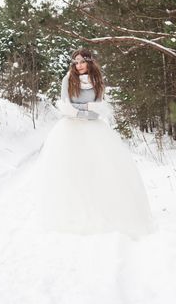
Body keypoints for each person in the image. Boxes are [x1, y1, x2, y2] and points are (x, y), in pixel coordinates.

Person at [35, 48, 155, 239]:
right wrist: (84, 110)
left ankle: (102, 210)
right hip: (70, 130)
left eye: (82, 61)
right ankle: (72, 213)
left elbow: (98, 111)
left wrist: (79, 110)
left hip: (94, 130)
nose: (79, 65)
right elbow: (65, 107)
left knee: (98, 169)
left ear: (90, 62)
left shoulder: (97, 81)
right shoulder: (68, 79)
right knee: (71, 170)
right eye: (75, 62)